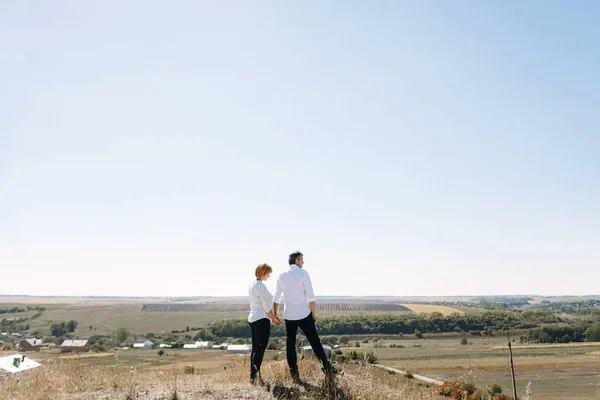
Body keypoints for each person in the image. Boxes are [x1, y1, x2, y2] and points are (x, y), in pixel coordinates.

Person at [273, 251, 336, 383]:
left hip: (289, 315)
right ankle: (327, 368)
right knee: (315, 342)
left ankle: (294, 374)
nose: (303, 262)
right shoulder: (303, 273)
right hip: (304, 314)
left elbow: (276, 297)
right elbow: (311, 297)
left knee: (290, 345)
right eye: (301, 259)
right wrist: (313, 314)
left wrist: (275, 314)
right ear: (296, 260)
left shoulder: (281, 276)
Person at [248, 263, 280, 384]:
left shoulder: (252, 284)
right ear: (263, 273)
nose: (269, 276)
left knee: (256, 349)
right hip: (261, 319)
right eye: (268, 273)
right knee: (260, 349)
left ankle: (254, 376)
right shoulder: (260, 286)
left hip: (253, 318)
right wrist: (273, 318)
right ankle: (255, 376)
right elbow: (267, 307)